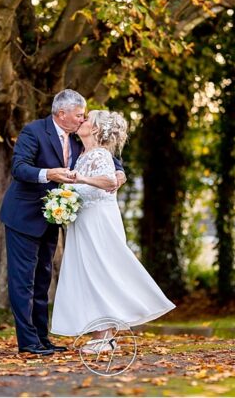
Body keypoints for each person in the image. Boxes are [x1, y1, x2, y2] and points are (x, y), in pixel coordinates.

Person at [0, 90, 126, 356]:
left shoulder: (80, 138)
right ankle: (28, 342)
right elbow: (19, 168)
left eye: (84, 116)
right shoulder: (34, 132)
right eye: (79, 115)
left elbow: (106, 155)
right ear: (62, 114)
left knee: (44, 278)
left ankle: (43, 339)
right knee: (24, 280)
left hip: (52, 217)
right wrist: (48, 174)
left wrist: (119, 171)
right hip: (23, 215)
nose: (83, 120)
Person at [50, 110, 175, 353]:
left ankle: (105, 337)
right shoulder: (83, 154)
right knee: (90, 276)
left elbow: (109, 181)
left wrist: (80, 180)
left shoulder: (100, 154)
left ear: (95, 129)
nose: (82, 121)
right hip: (83, 223)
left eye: (87, 119)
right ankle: (102, 334)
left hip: (99, 222)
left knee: (103, 272)